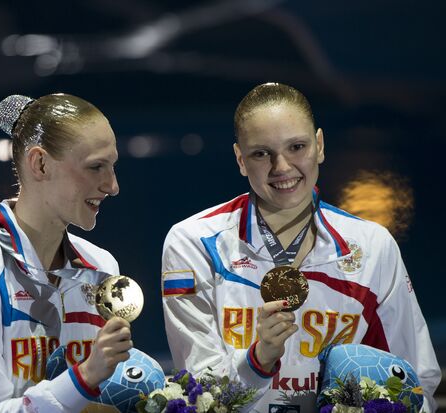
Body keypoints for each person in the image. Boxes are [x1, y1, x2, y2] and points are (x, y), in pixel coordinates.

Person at [161, 82, 441, 413]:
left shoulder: (371, 246)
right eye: (261, 153)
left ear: (319, 145)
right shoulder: (194, 243)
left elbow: (413, 379)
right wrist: (258, 359)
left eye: (297, 147)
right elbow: (200, 392)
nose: (281, 167)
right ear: (240, 159)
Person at [0, 93, 133, 412]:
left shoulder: (102, 267)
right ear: (40, 163)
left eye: (112, 166)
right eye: (96, 167)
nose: (112, 186)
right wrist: (84, 376)